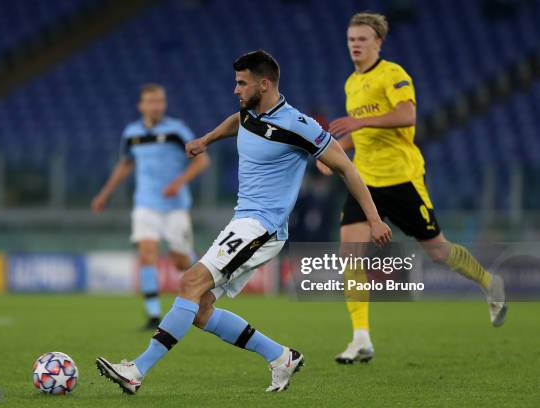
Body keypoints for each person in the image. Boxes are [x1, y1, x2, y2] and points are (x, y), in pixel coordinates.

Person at [96, 50, 392, 394]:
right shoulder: (250, 111)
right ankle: (282, 357)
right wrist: (206, 140)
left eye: (242, 83)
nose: (236, 89)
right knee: (202, 307)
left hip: (262, 227)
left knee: (190, 283)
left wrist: (373, 218)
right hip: (244, 221)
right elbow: (237, 120)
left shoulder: (299, 126)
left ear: (264, 84)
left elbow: (346, 167)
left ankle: (136, 370)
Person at [316, 12, 507, 365]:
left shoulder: (394, 74)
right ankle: (360, 338)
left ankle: (488, 281)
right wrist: (336, 155)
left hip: (402, 178)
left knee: (438, 251)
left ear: (378, 42)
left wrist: (360, 120)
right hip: (365, 181)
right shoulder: (350, 84)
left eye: (362, 39)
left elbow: (407, 116)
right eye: (351, 39)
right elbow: (362, 134)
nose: (355, 45)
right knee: (349, 254)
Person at [92, 84, 210, 330]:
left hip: (175, 207)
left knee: (180, 262)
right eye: (152, 101)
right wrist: (105, 193)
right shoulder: (131, 133)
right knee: (147, 255)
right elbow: (125, 164)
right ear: (141, 105)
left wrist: (178, 183)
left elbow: (202, 161)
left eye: (160, 101)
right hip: (145, 205)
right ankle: (154, 315)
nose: (157, 105)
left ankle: (199, 266)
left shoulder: (177, 130)